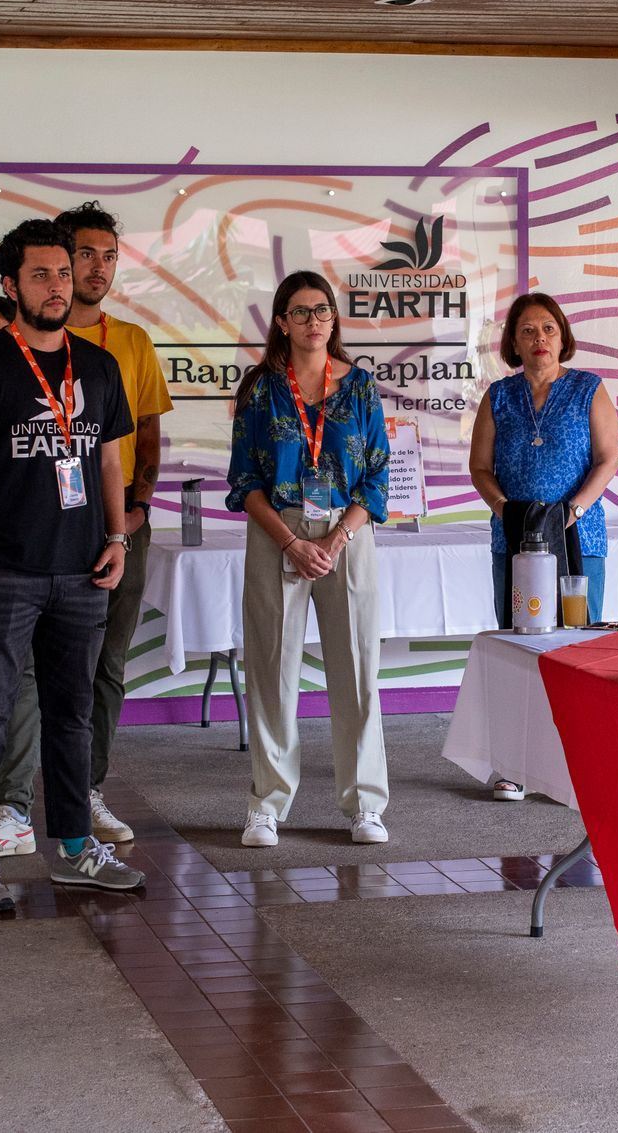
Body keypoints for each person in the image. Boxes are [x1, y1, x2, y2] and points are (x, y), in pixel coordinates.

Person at [0, 219, 144, 911]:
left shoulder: (100, 366)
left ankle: (78, 849)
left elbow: (111, 460)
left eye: (63, 272)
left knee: (73, 716)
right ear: (10, 283)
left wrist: (117, 537)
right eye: (41, 275)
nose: (57, 286)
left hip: (82, 572)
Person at [0, 202, 173, 858]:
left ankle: (85, 791)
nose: (98, 268)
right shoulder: (15, 345)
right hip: (37, 530)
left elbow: (145, 435)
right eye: (85, 255)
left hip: (117, 527)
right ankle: (11, 803)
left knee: (105, 666)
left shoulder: (132, 343)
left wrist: (136, 510)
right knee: (28, 671)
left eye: (110, 255)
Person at [227, 271, 391, 848]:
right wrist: (293, 542)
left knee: (357, 670)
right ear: (281, 322)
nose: (313, 321)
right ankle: (266, 805)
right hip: (279, 531)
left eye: (322, 310)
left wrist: (334, 539)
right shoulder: (260, 388)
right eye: (300, 312)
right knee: (272, 670)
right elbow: (243, 481)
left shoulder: (362, 387)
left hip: (346, 532)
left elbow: (376, 477)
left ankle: (365, 805)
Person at [468, 291, 618, 800]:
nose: (539, 339)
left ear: (563, 336)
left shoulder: (588, 389)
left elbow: (607, 461)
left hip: (580, 538)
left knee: (577, 648)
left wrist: (570, 512)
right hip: (513, 540)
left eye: (548, 329)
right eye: (528, 330)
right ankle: (512, 764)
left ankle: (580, 762)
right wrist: (506, 511)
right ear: (513, 340)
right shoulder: (499, 396)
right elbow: (480, 468)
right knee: (518, 648)